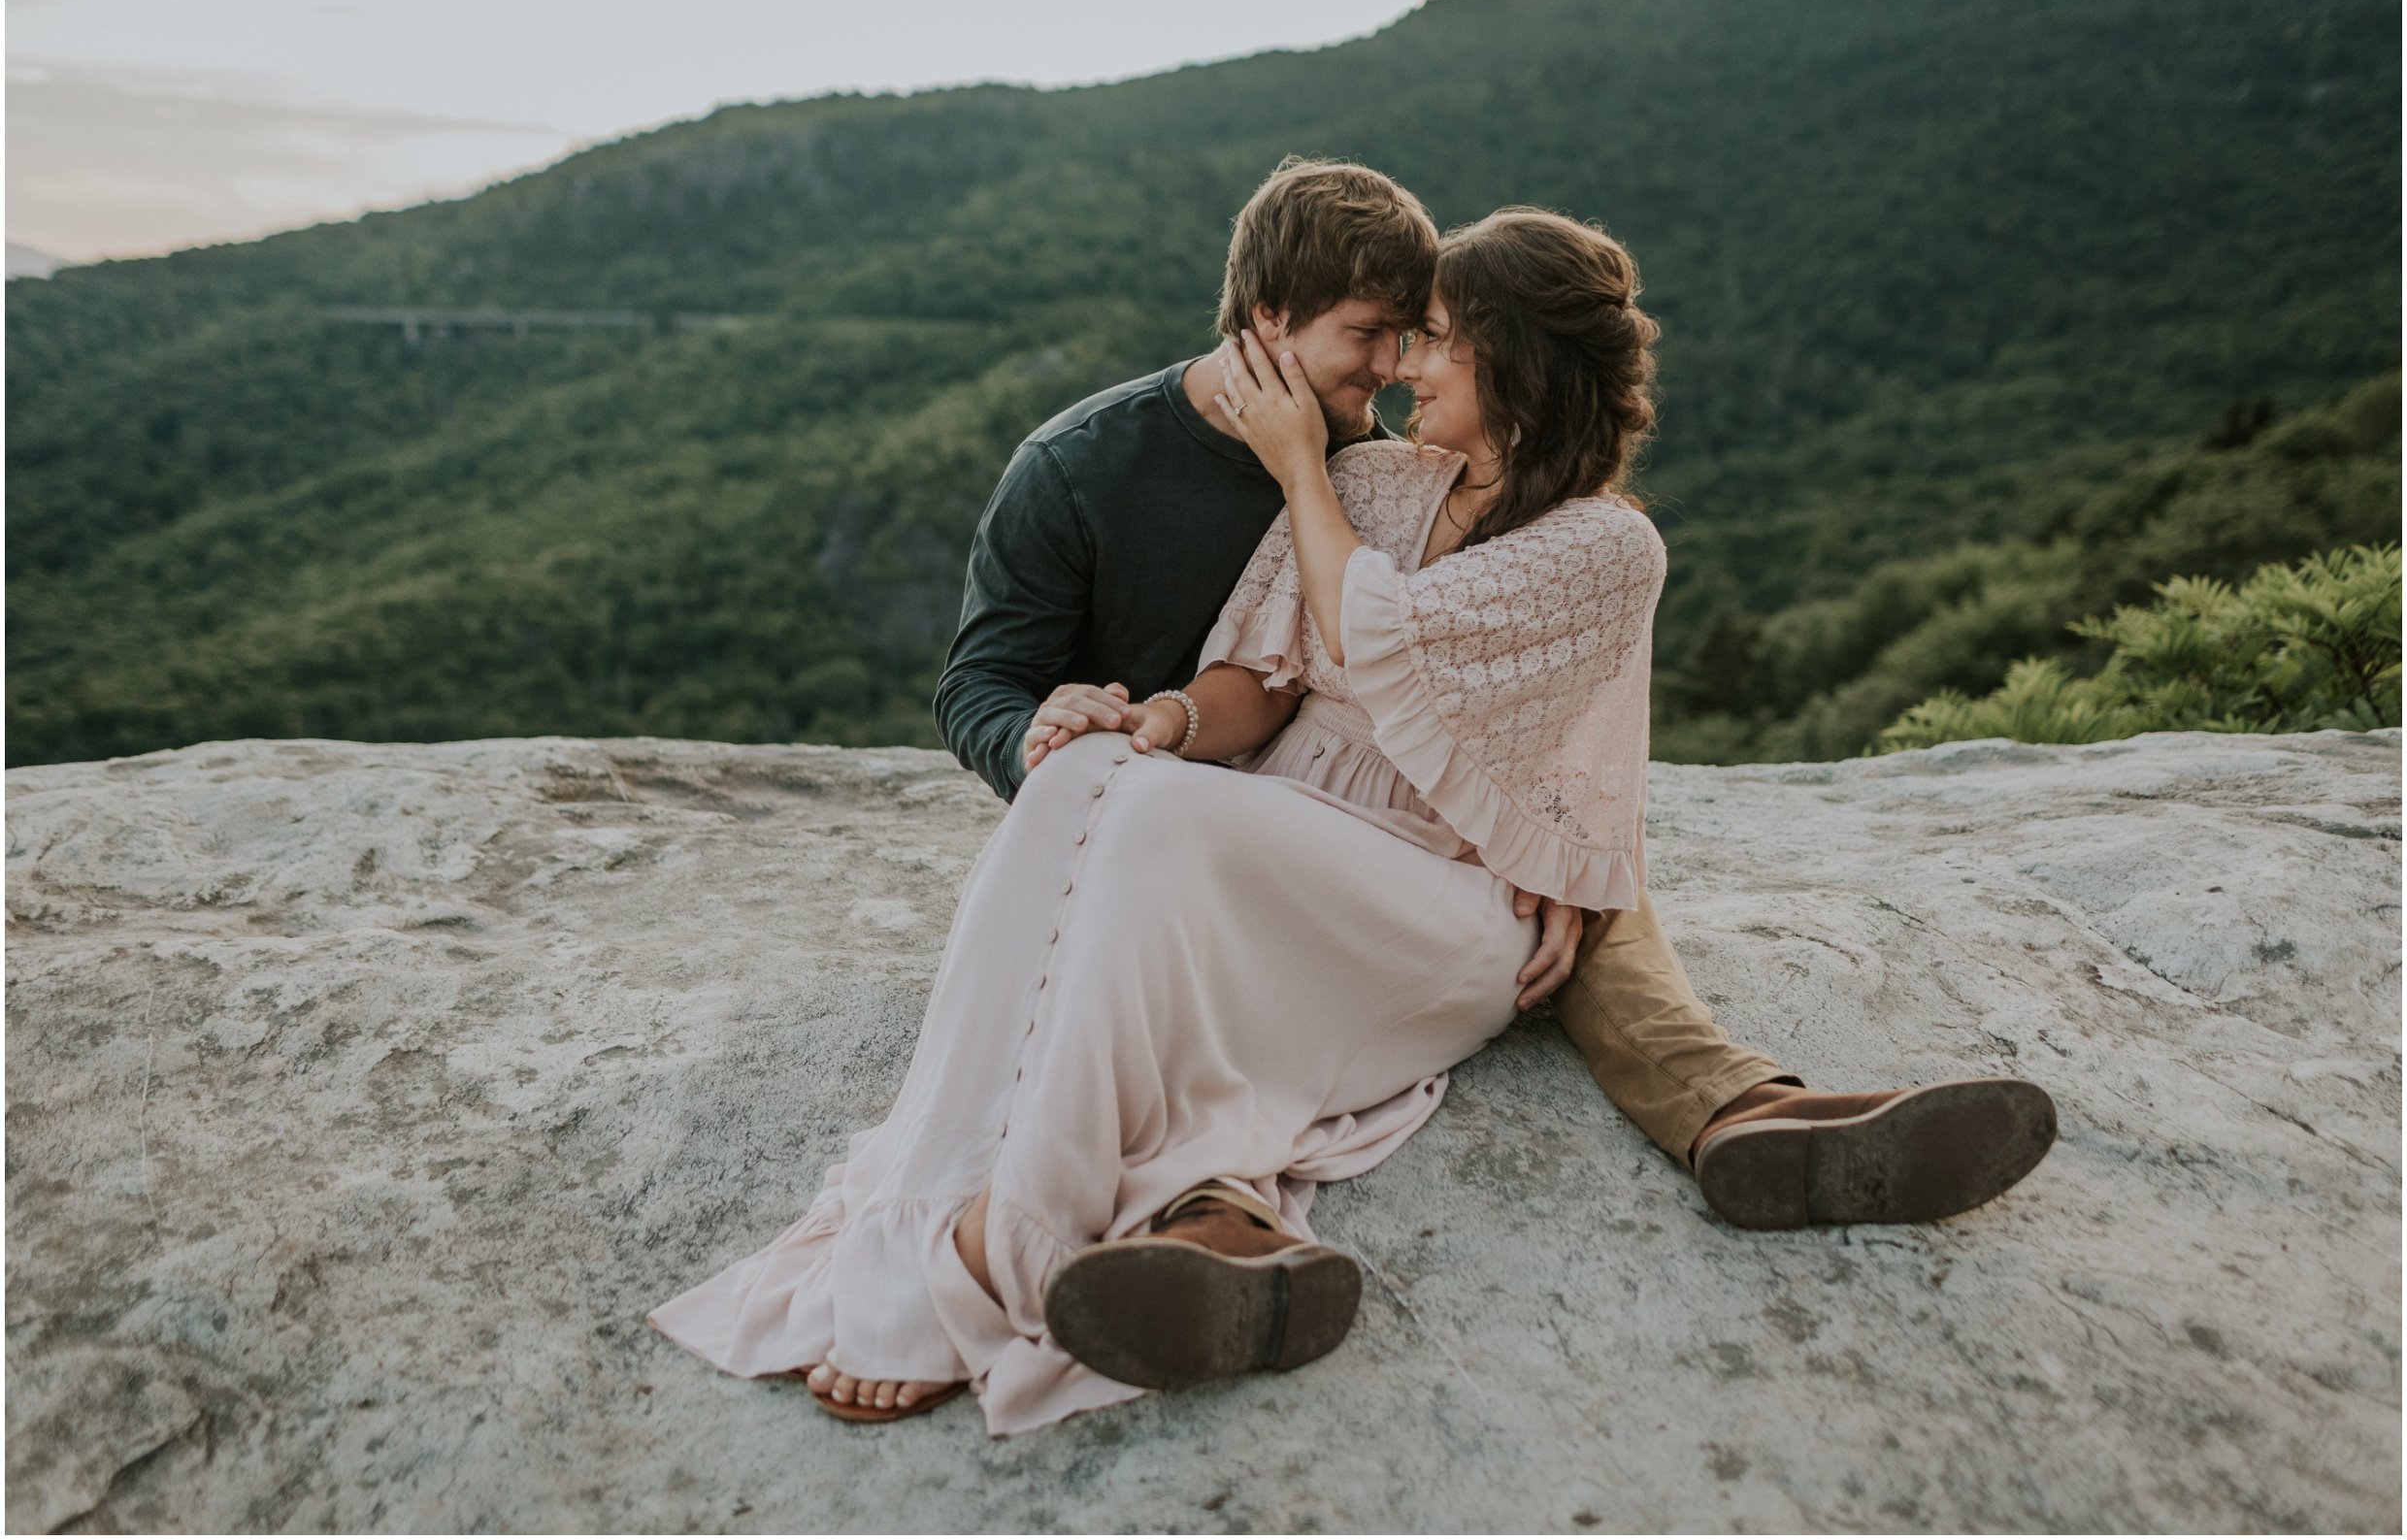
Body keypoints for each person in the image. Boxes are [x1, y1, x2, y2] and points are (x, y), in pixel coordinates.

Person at [647, 172, 2056, 1435]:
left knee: (1153, 819)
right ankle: (1088, 1217)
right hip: (1292, 849)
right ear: (1271, 324)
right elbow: (1253, 677)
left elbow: (1393, 651)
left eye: (1435, 337)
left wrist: (1294, 476)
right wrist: (1148, 721)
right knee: (1103, 779)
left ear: (1517, 364)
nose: (1405, 368)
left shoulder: (1601, 547)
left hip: (1440, 899)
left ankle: (1013, 1243)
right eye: (1391, 334)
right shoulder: (1344, 476)